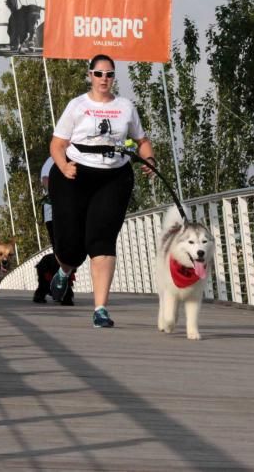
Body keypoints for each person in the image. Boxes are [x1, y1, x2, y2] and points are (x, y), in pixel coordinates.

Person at [47, 54, 155, 328]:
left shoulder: (125, 107)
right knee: (71, 247)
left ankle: (100, 309)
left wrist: (149, 159)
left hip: (113, 176)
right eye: (98, 74)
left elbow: (141, 140)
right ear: (90, 75)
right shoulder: (77, 106)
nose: (104, 79)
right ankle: (64, 270)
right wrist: (63, 166)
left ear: (113, 77)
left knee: (102, 240)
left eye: (109, 74)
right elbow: (57, 144)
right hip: (75, 174)